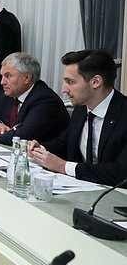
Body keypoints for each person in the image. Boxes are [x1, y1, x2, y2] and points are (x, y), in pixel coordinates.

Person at [29, 50, 127, 186]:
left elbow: (121, 172)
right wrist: (41, 149)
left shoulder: (123, 114)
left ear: (96, 82)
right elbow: (65, 143)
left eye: (70, 82)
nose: (64, 89)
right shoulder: (81, 110)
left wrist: (63, 166)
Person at [0, 52, 69, 144]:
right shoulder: (10, 96)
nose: (2, 82)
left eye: (8, 76)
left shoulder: (45, 100)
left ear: (27, 78)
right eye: (2, 76)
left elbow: (22, 137)